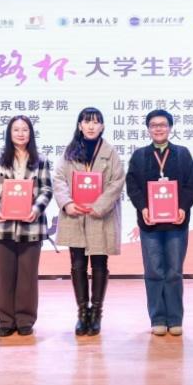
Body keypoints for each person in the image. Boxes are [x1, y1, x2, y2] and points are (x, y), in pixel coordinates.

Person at [53, 107, 125, 336]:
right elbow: (59, 179)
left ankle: (96, 314)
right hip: (75, 215)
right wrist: (67, 203)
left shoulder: (110, 152)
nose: (91, 126)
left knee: (100, 265)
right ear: (79, 125)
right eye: (87, 121)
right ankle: (82, 313)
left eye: (96, 122)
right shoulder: (70, 151)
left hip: (100, 217)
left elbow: (117, 182)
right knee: (77, 265)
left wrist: (99, 206)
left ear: (102, 126)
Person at [126, 109, 193, 337]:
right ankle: (157, 318)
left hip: (176, 224)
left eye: (163, 124)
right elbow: (132, 186)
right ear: (148, 129)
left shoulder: (182, 154)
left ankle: (175, 319)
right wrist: (143, 208)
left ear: (170, 127)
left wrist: (182, 208)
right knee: (154, 271)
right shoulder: (139, 155)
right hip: (150, 225)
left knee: (174, 271)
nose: (158, 128)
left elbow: (191, 184)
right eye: (154, 125)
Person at [0, 115, 53, 337]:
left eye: (25, 129)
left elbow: (46, 189)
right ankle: (5, 321)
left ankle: (25, 320)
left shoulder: (41, 160)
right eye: (16, 130)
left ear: (31, 133)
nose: (21, 133)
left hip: (31, 226)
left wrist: (36, 209)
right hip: (3, 225)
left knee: (27, 276)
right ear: (9, 133)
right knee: (5, 276)